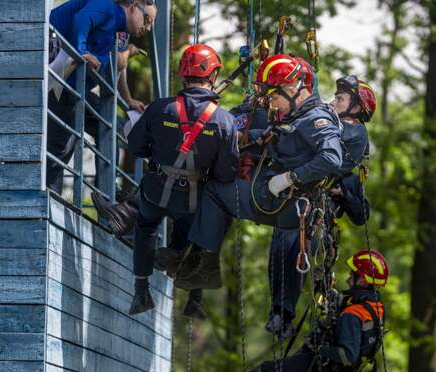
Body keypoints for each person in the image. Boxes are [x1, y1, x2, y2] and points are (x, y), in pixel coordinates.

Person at [184, 54, 343, 285]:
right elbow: (278, 138)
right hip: (277, 196)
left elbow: (331, 158)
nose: (271, 101)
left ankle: (203, 265)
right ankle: (199, 261)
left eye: (274, 94)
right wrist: (234, 137)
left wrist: (289, 178)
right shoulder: (296, 115)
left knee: (214, 189)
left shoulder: (316, 119)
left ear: (294, 87)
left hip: (281, 202)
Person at [183, 249, 389, 372]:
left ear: (362, 280)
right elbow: (345, 318)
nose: (348, 279)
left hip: (327, 366)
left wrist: (320, 349)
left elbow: (348, 354)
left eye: (353, 275)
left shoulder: (353, 314)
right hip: (336, 368)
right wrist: (325, 288)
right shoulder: (372, 308)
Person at [126, 44, 239, 316]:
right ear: (212, 76)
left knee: (146, 226)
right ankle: (194, 300)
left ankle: (141, 292)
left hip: (156, 189)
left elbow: (136, 146)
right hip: (193, 197)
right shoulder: (224, 121)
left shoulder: (159, 109)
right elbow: (226, 172)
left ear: (182, 75)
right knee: (198, 234)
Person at [266, 75, 377, 339]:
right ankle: (279, 312)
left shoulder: (351, 148)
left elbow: (361, 214)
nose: (333, 101)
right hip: (295, 205)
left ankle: (284, 313)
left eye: (340, 99)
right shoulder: (324, 129)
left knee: (294, 247)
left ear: (356, 108)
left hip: (317, 220)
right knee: (281, 246)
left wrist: (342, 192)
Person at [47, 0, 157, 193]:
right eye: (147, 19)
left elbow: (118, 66)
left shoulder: (121, 30)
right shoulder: (107, 6)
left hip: (73, 88)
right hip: (57, 78)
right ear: (134, 5)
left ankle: (105, 195)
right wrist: (82, 52)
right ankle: (48, 196)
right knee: (61, 143)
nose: (148, 28)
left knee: (106, 127)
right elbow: (81, 19)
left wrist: (128, 100)